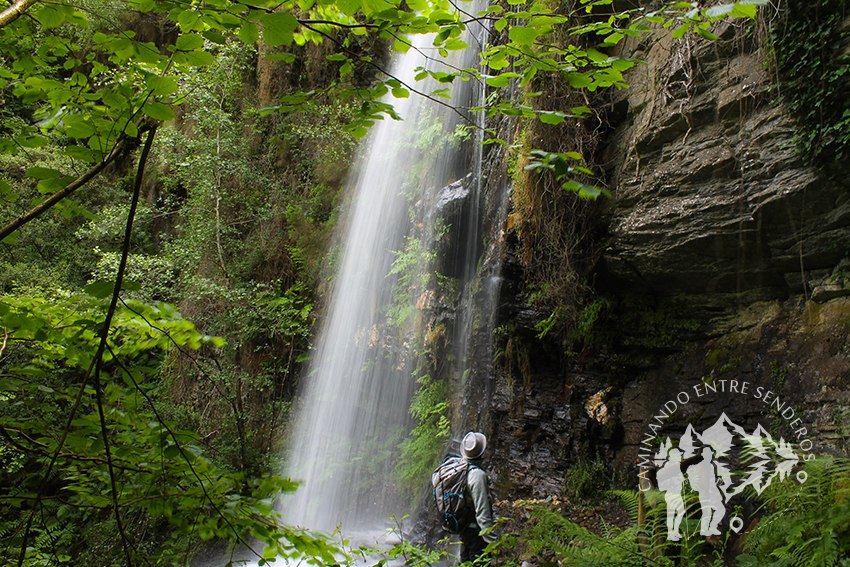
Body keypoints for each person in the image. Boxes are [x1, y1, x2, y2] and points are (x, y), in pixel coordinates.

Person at [459, 431, 496, 563]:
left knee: (465, 561)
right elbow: (482, 511)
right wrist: (492, 542)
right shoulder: (477, 475)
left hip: (465, 529)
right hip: (475, 533)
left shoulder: (462, 468)